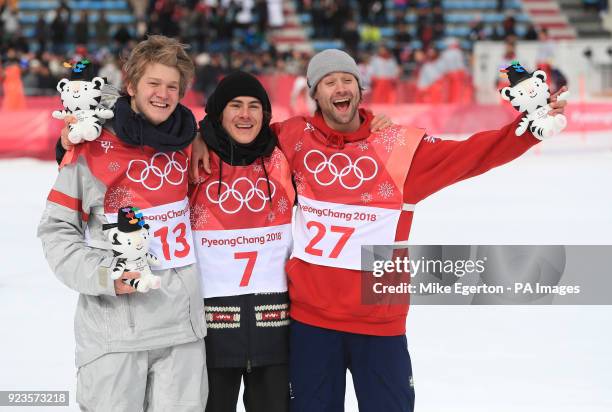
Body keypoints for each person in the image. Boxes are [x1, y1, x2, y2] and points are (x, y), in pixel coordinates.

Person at [192, 49, 568, 412]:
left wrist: (529, 133)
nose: (339, 89)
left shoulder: (398, 146)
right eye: (328, 82)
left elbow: (473, 155)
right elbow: (238, 134)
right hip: (311, 322)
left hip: (379, 321)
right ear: (314, 95)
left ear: (359, 88)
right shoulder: (293, 138)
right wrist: (198, 138)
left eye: (347, 80)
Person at [38, 35, 208, 411]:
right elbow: (56, 232)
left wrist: (199, 138)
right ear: (131, 85)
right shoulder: (91, 147)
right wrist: (108, 276)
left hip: (183, 335)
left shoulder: (189, 143)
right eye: (153, 83)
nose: (162, 94)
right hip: (115, 336)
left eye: (172, 86)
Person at [190, 71, 293, 412]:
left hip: (275, 336)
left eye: (254, 106)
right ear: (218, 112)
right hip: (209, 339)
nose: (245, 115)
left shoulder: (283, 159)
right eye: (235, 106)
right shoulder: (193, 162)